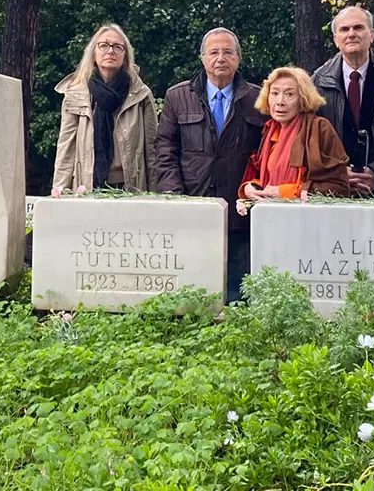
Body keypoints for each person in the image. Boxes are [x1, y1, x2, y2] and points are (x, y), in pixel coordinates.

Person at [156, 27, 263, 302]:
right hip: (193, 203)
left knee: (237, 293)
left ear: (238, 58)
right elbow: (165, 148)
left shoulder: (259, 99)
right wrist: (173, 195)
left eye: (228, 52)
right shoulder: (177, 96)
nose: (220, 58)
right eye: (213, 52)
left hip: (240, 210)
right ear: (202, 59)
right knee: (194, 288)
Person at [312, 6, 374, 198]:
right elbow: (313, 140)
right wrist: (338, 173)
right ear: (335, 40)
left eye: (358, 28)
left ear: (372, 34)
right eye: (344, 29)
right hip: (335, 193)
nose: (351, 34)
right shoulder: (317, 83)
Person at [52, 24, 157, 193]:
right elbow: (66, 148)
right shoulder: (76, 93)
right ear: (93, 52)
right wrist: (59, 188)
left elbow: (152, 149)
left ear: (126, 55)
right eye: (104, 45)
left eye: (117, 47)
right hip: (87, 185)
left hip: (130, 187)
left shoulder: (140, 94)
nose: (110, 51)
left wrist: (155, 194)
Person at [239, 66, 351, 202]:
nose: (280, 102)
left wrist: (288, 191)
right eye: (274, 93)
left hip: (307, 218)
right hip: (268, 216)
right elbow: (263, 178)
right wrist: (249, 188)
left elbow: (340, 188)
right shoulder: (269, 130)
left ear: (303, 98)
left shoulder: (320, 128)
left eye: (290, 94)